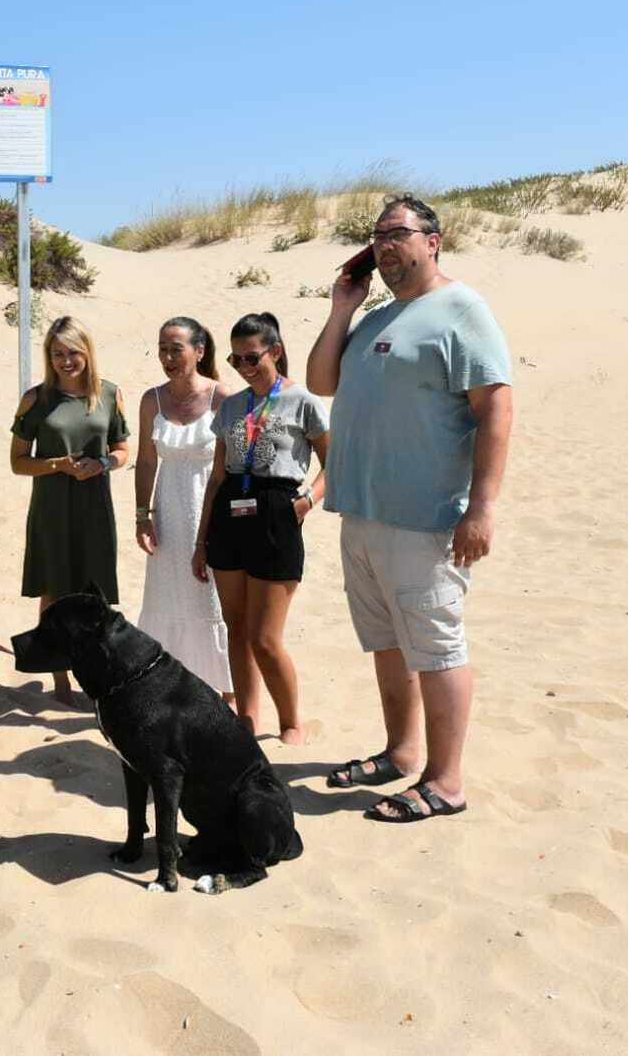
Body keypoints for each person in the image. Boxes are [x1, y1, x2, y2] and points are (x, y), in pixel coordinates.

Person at [305, 194, 514, 823]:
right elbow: (320, 380)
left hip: (425, 519)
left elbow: (496, 409)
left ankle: (445, 781)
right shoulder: (372, 319)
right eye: (378, 235)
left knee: (436, 646)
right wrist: (344, 303)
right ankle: (400, 753)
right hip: (362, 512)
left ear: (434, 241)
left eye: (399, 233)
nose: (387, 245)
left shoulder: (462, 309)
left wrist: (482, 507)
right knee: (388, 643)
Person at [192, 312, 328, 745]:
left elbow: (336, 461)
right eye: (237, 360)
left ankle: (291, 722)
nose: (246, 368)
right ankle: (247, 719)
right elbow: (216, 476)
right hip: (231, 509)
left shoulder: (303, 401)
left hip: (278, 510)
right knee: (236, 627)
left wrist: (308, 501)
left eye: (253, 358)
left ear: (276, 351)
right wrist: (201, 540)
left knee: (265, 637)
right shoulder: (232, 405)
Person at [10, 315, 131, 706]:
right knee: (55, 592)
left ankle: (94, 674)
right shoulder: (36, 399)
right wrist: (56, 465)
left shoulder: (109, 395)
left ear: (87, 352)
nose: (66, 361)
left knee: (95, 594)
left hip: (95, 507)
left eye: (73, 352)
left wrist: (104, 464)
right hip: (52, 508)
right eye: (57, 353)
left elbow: (123, 450)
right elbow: (17, 462)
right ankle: (59, 681)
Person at [134, 316, 235, 702]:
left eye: (176, 349)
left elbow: (237, 459)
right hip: (168, 511)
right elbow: (146, 461)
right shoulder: (151, 400)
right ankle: (168, 688)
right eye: (163, 349)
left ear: (199, 351)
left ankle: (230, 696)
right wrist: (143, 516)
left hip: (211, 506)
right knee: (167, 596)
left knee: (213, 598)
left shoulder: (221, 396)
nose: (168, 357)